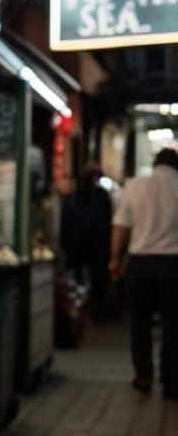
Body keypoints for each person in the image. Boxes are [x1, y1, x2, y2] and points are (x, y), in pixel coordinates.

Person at [109, 147, 178, 397]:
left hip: (140, 264)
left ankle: (143, 377)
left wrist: (115, 259)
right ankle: (171, 382)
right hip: (174, 266)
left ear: (155, 164)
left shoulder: (135, 186)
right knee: (174, 325)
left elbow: (120, 226)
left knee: (140, 322)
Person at [61, 164, 114, 306]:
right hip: (94, 247)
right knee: (95, 280)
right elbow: (108, 222)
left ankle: (84, 308)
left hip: (80, 246)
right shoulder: (100, 196)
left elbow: (65, 226)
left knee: (80, 280)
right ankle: (94, 307)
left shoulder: (73, 198)